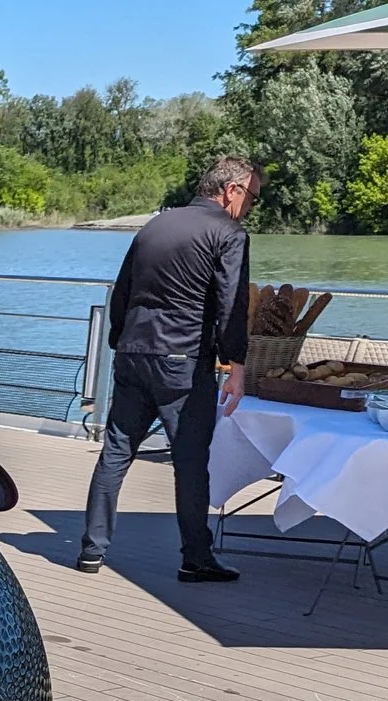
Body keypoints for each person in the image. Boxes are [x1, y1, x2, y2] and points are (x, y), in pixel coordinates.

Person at [77, 155, 260, 584]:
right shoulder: (228, 232)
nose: (251, 206)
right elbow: (233, 304)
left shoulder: (155, 225)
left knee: (116, 453)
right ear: (232, 191)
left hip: (132, 353)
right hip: (182, 358)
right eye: (252, 197)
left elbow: (122, 291)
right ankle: (196, 558)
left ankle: (91, 549)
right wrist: (237, 364)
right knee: (192, 462)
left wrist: (121, 340)